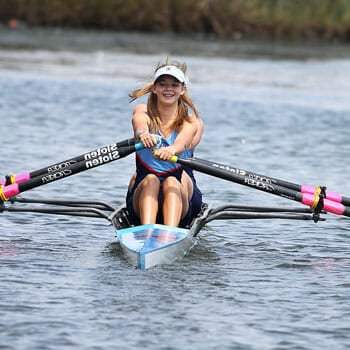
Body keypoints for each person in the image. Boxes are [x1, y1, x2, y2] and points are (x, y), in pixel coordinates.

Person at [126, 59, 204, 228]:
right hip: (142, 199)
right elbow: (139, 123)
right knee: (151, 180)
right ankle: (146, 232)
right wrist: (143, 134)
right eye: (163, 84)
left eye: (174, 85)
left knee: (172, 182)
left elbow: (181, 144)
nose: (168, 89)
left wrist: (172, 150)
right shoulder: (143, 114)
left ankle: (170, 233)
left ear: (183, 90)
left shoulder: (189, 123)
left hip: (178, 198)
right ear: (154, 88)